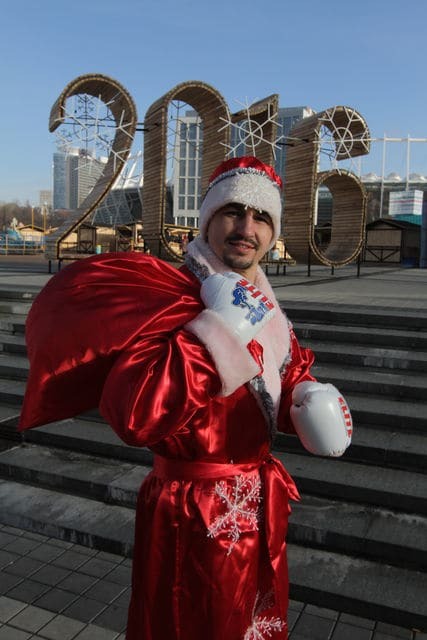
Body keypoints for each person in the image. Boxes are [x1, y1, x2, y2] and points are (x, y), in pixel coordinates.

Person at [19, 156, 352, 640]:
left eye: (261, 217)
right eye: (233, 211)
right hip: (190, 511)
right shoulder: (166, 295)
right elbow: (135, 414)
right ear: (208, 219)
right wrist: (214, 333)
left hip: (256, 504)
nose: (246, 228)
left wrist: (304, 397)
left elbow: (278, 376)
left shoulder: (264, 303)